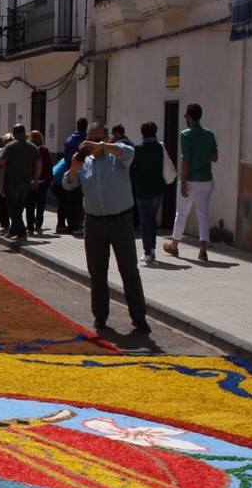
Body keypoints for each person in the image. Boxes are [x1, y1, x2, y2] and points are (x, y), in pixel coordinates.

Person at [63, 125, 149, 333]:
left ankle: (139, 318)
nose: (92, 145)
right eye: (90, 140)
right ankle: (100, 317)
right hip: (94, 223)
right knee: (97, 272)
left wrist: (102, 146)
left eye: (97, 139)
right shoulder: (85, 163)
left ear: (106, 138)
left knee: (129, 270)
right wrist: (74, 168)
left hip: (121, 221)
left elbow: (129, 152)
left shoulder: (117, 158)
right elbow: (67, 184)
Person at [166, 104, 217, 261]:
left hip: (191, 180)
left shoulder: (185, 134)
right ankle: (203, 250)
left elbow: (186, 159)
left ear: (188, 116)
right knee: (203, 214)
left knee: (182, 212)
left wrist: (183, 182)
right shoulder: (209, 134)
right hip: (206, 179)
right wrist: (203, 154)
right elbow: (215, 157)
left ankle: (174, 245)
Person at [130, 122, 174, 265]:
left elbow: (131, 168)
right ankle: (153, 248)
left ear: (142, 133)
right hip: (157, 189)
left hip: (142, 190)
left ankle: (147, 252)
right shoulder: (160, 148)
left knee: (144, 220)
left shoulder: (138, 149)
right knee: (152, 219)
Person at [0, 127, 39, 243]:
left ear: (14, 134)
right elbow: (39, 163)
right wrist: (35, 179)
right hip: (27, 179)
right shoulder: (33, 146)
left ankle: (21, 232)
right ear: (24, 133)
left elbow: (2, 162)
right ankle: (14, 231)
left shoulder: (10, 146)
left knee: (12, 207)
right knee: (20, 206)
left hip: (12, 179)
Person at [57, 117, 89, 237]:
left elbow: (66, 158)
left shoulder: (69, 139)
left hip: (70, 172)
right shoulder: (86, 140)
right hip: (83, 173)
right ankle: (77, 226)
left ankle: (71, 225)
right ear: (86, 126)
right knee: (80, 203)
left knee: (70, 201)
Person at [26, 130, 52, 235]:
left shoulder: (28, 149)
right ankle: (38, 226)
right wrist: (49, 179)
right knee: (40, 205)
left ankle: (30, 227)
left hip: (30, 181)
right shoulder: (44, 150)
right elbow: (48, 165)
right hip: (42, 182)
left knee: (30, 205)